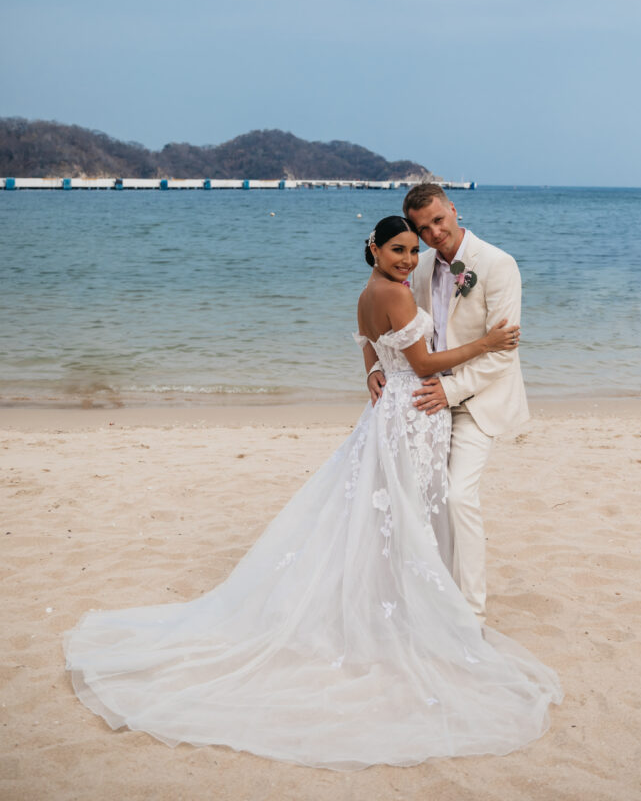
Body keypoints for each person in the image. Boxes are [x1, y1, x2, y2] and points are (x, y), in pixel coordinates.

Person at [64, 216, 561, 770]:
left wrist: (372, 370)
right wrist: (487, 343)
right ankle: (407, 610)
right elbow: (421, 363)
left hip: (393, 412)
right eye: (398, 250)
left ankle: (400, 599)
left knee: (390, 510)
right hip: (413, 413)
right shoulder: (395, 295)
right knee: (404, 511)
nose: (408, 260)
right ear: (373, 247)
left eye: (414, 251)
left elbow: (368, 346)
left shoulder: (368, 293)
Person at [368, 187, 529, 626]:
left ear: (453, 209)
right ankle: (432, 595)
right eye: (423, 228)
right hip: (427, 403)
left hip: (477, 400)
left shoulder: (497, 265)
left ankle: (471, 615)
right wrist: (372, 370)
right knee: (425, 499)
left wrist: (451, 392)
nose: (434, 232)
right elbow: (379, 322)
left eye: (439, 220)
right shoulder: (414, 269)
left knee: (458, 496)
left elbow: (502, 353)